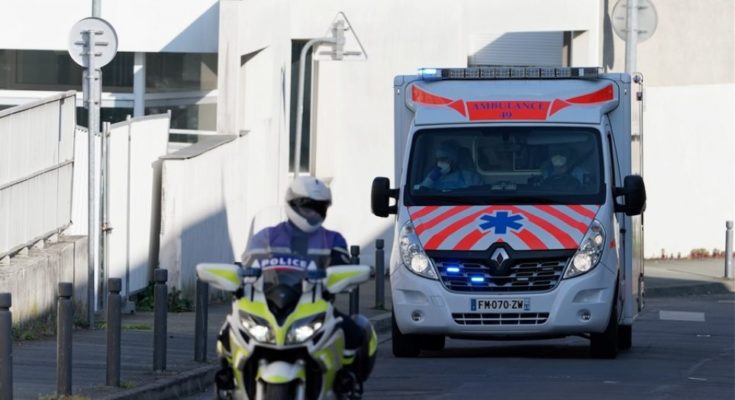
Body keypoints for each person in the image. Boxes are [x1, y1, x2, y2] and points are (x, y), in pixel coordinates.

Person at [215, 176, 372, 396]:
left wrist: (343, 277)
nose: (313, 213)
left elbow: (341, 267)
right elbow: (248, 267)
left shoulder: (332, 239)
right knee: (227, 331)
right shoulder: (266, 237)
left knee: (357, 332)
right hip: (268, 302)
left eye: (319, 208)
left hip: (314, 304)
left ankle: (346, 384)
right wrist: (241, 277)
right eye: (307, 206)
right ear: (292, 204)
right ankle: (229, 383)